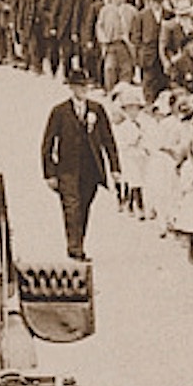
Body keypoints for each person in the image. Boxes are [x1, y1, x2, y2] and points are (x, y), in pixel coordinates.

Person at [41, 64, 123, 260]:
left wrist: (115, 168)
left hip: (91, 169)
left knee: (84, 208)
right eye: (78, 86)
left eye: (85, 86)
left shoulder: (97, 109)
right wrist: (50, 173)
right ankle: (74, 248)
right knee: (71, 207)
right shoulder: (59, 112)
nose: (82, 90)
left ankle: (78, 243)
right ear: (71, 88)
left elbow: (108, 139)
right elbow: (47, 143)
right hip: (67, 170)